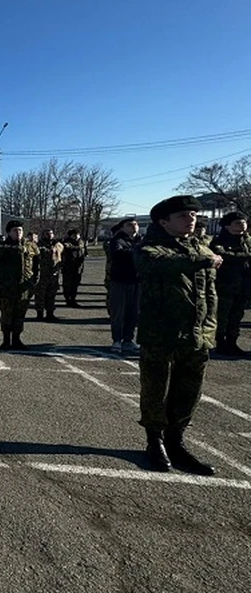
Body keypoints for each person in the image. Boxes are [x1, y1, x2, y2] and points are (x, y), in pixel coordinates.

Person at [137, 195, 221, 475]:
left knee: (189, 391)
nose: (191, 220)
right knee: (155, 389)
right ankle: (155, 440)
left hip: (198, 333)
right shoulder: (151, 248)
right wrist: (204, 259)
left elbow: (208, 294)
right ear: (164, 222)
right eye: (183, 216)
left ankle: (176, 440)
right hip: (161, 332)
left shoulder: (200, 248)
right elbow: (162, 263)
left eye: (193, 215)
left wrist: (209, 327)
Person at [210, 211, 251, 356]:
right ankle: (221, 343)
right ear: (228, 226)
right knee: (222, 316)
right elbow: (223, 256)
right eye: (238, 223)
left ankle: (233, 343)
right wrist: (246, 257)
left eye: (244, 222)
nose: (242, 225)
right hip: (225, 285)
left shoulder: (247, 241)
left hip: (244, 285)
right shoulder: (219, 241)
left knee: (237, 316)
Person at [0, 220, 39, 350]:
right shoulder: (2, 246)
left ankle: (17, 339)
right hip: (7, 287)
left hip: (24, 287)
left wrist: (34, 281)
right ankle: (6, 340)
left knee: (20, 314)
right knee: (7, 315)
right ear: (9, 232)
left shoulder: (31, 246)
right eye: (15, 230)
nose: (18, 233)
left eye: (20, 230)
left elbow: (37, 264)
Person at [108, 218, 141, 354]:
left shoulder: (141, 241)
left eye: (135, 224)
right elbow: (118, 254)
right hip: (120, 281)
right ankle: (117, 339)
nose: (133, 226)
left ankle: (128, 339)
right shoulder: (117, 240)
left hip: (136, 281)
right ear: (122, 228)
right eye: (129, 224)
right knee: (118, 312)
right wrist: (138, 253)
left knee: (133, 312)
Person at [34, 229, 64, 321]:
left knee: (51, 295)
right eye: (47, 234)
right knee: (40, 294)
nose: (49, 235)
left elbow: (61, 255)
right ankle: (40, 313)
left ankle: (50, 313)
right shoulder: (39, 245)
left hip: (54, 274)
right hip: (42, 274)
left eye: (51, 233)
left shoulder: (57, 245)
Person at [61, 229, 87, 308]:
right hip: (68, 267)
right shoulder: (66, 243)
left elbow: (84, 252)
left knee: (75, 285)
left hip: (78, 267)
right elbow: (68, 249)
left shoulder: (81, 243)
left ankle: (73, 299)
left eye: (77, 235)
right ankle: (68, 300)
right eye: (74, 235)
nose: (76, 236)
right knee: (67, 285)